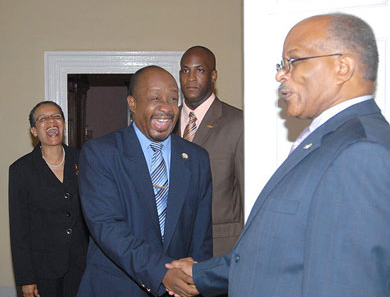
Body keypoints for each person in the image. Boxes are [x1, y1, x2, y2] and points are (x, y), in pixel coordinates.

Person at [167, 13, 390, 297]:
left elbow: (347, 284)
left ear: (342, 67)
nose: (280, 75)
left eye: (293, 62)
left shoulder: (361, 152)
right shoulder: (327, 139)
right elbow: (283, 251)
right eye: (281, 64)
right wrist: (202, 273)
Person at [76, 65, 213, 297]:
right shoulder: (100, 154)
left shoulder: (197, 159)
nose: (165, 107)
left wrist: (197, 281)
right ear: (132, 104)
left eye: (172, 98)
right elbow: (107, 227)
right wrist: (160, 273)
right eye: (154, 98)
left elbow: (201, 236)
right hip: (115, 288)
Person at [9, 101, 89, 297]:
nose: (51, 122)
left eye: (56, 117)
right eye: (43, 119)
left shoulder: (84, 159)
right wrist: (26, 278)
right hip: (41, 267)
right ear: (34, 131)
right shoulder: (21, 170)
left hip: (81, 264)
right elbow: (19, 228)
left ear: (63, 125)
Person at [174, 46, 244, 256]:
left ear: (213, 76)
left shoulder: (238, 123)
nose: (191, 78)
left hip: (221, 248)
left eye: (200, 70)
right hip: (175, 250)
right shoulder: (167, 123)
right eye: (185, 71)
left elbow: (247, 193)